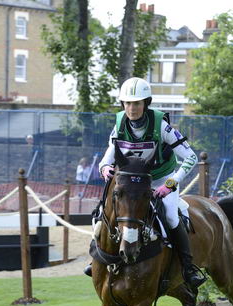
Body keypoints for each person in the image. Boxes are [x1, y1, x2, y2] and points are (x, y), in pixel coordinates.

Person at [84, 77, 205, 289]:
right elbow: (107, 158)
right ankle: (97, 257)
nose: (132, 108)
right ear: (123, 104)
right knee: (102, 213)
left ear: (145, 104)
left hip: (160, 179)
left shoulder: (162, 125)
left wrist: (170, 184)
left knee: (170, 216)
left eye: (137, 103)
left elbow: (191, 158)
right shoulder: (120, 122)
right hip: (132, 184)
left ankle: (188, 268)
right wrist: (104, 168)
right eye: (128, 103)